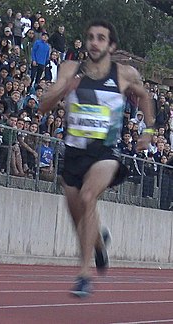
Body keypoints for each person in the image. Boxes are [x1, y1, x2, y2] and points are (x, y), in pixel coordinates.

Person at [40, 19, 154, 297]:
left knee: (88, 197)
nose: (94, 42)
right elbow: (43, 105)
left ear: (111, 45)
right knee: (78, 216)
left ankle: (83, 275)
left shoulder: (124, 74)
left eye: (101, 38)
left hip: (106, 152)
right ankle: (99, 243)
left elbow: (146, 97)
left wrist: (148, 131)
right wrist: (63, 89)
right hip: (74, 151)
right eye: (90, 37)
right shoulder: (70, 69)